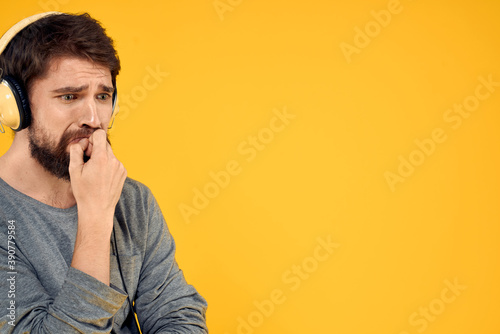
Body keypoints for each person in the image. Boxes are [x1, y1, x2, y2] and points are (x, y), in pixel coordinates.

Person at [0, 12, 208, 333]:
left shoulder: (131, 199)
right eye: (70, 96)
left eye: (103, 96)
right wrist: (96, 222)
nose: (94, 119)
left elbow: (177, 316)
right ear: (14, 106)